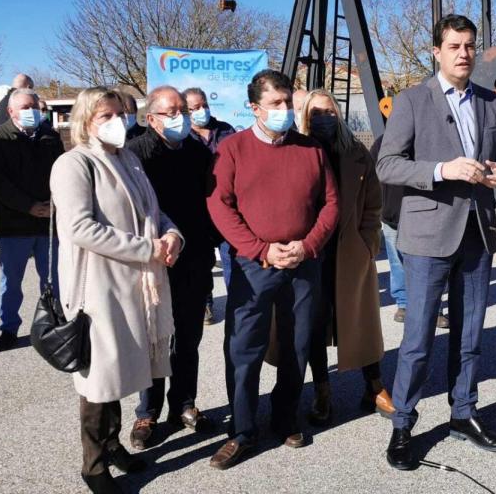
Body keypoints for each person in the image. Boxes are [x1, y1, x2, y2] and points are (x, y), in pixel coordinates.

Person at [376, 14, 496, 470]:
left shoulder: (491, 104)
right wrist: (443, 170)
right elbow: (388, 166)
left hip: (476, 234)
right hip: (426, 237)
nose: (464, 53)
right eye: (454, 45)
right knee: (417, 339)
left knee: (470, 335)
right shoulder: (412, 101)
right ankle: (403, 424)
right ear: (436, 51)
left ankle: (464, 414)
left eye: (470, 46)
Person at [49, 86, 183, 494]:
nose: (117, 122)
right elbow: (80, 227)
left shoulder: (128, 160)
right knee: (99, 378)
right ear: (85, 121)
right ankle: (92, 464)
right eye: (104, 116)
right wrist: (148, 249)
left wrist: (172, 234)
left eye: (121, 113)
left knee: (124, 368)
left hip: (137, 284)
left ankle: (112, 445)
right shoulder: (74, 164)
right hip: (99, 287)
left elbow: (151, 211)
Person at [206, 69, 338, 470]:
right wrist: (261, 250)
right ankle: (242, 431)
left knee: (298, 345)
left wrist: (308, 244)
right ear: (254, 108)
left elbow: (331, 203)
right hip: (253, 265)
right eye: (275, 105)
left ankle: (285, 419)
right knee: (244, 349)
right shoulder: (232, 149)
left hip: (302, 264)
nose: (283, 111)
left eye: (287, 103)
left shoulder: (311, 149)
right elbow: (219, 206)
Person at [293, 89, 393, 425]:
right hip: (312, 250)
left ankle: (374, 384)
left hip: (351, 249)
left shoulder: (357, 152)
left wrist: (368, 244)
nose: (324, 118)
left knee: (361, 320)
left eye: (329, 111)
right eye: (316, 113)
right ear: (306, 116)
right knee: (316, 322)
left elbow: (373, 204)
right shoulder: (296, 150)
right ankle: (322, 390)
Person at [126, 86, 218, 449]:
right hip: (152, 260)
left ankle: (184, 403)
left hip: (193, 258)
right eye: (170, 111)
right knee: (154, 338)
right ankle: (146, 412)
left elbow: (211, 202)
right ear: (151, 118)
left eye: (183, 109)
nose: (180, 116)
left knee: (188, 337)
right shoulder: (135, 156)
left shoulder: (197, 151)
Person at [0, 88, 65, 351]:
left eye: (36, 107)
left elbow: (62, 173)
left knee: (53, 279)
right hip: (13, 223)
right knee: (11, 281)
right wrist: (28, 206)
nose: (33, 112)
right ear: (11, 111)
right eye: (27, 107)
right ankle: (8, 329)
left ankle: (54, 324)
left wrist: (54, 204)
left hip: (48, 222)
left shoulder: (50, 136)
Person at [183, 86, 237, 325]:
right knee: (203, 262)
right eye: (194, 108)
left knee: (231, 259)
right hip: (198, 210)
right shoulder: (183, 136)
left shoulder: (225, 130)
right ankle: (205, 304)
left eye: (203, 105)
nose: (201, 111)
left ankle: (237, 302)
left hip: (226, 206)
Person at [368, 103, 407, 322]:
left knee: (427, 266)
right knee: (397, 262)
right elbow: (372, 177)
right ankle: (403, 303)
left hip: (422, 218)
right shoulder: (381, 143)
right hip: (391, 215)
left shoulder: (426, 141)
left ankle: (435, 308)